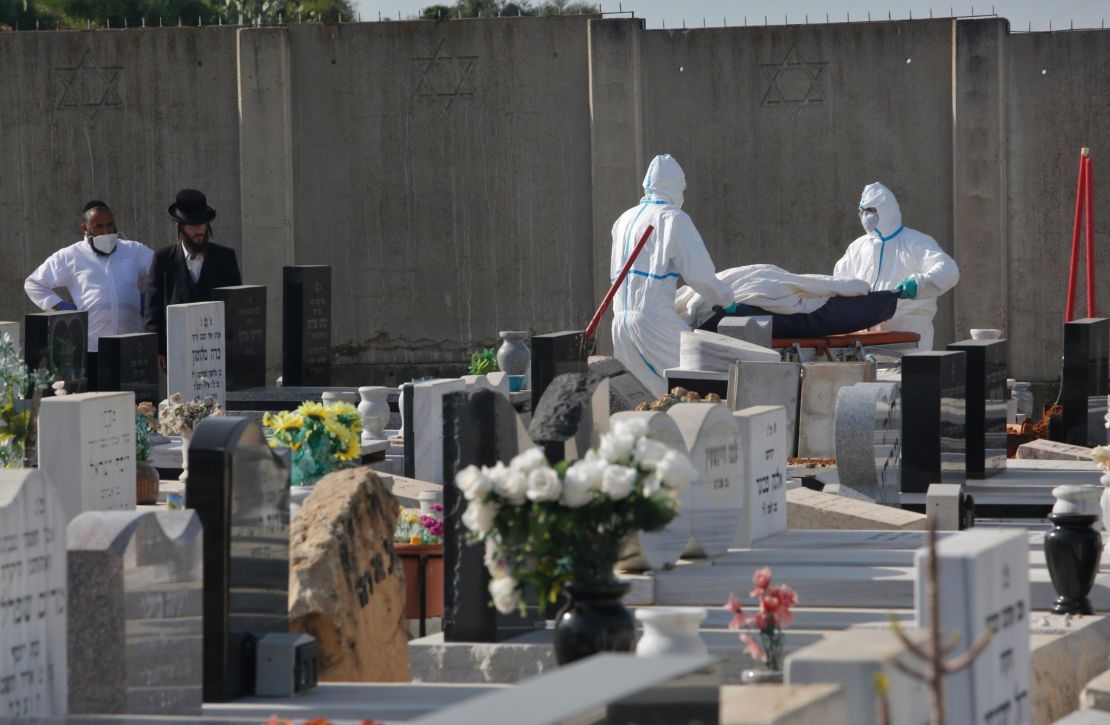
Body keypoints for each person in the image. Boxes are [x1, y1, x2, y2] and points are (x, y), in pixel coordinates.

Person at [610, 154, 736, 397]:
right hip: (654, 320)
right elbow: (700, 276)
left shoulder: (623, 220)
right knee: (701, 375)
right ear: (676, 186)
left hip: (620, 323)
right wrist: (726, 300)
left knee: (644, 395)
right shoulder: (673, 218)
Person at [24, 200, 154, 388]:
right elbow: (34, 283)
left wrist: (148, 298)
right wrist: (61, 308)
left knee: (136, 409)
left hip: (131, 345)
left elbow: (163, 274)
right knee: (97, 404)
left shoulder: (133, 250)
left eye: (110, 224)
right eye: (99, 226)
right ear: (85, 228)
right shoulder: (71, 256)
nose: (106, 231)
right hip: (92, 348)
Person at [834, 182, 959, 350]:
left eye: (870, 211)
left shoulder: (915, 242)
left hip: (909, 340)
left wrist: (919, 284)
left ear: (886, 211)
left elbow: (948, 270)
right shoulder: (858, 247)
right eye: (862, 211)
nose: (865, 216)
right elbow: (839, 282)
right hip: (865, 341)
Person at [145, 189, 242, 369]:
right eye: (192, 225)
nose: (199, 230)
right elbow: (153, 307)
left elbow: (235, 305)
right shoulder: (164, 258)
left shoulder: (225, 257)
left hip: (215, 350)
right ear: (179, 228)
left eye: (202, 224)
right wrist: (156, 348)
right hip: (177, 348)